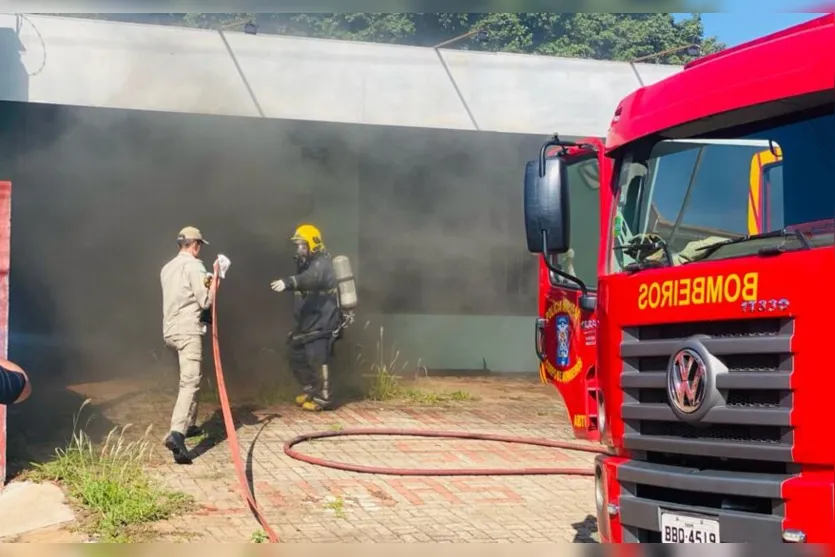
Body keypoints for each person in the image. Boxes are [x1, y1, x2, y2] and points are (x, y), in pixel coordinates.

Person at [160, 226, 217, 465]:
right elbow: (205, 299)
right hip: (188, 331)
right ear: (195, 245)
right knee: (190, 382)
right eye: (200, 245)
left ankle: (190, 424)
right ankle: (177, 434)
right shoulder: (195, 266)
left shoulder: (167, 267)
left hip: (170, 331)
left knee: (190, 379)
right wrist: (214, 278)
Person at [270, 224, 340, 412]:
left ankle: (324, 398)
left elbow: (311, 278)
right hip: (308, 322)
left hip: (323, 321)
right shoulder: (307, 263)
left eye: (302, 245)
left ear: (312, 244)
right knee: (295, 353)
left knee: (317, 358)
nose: (299, 249)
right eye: (298, 245)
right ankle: (311, 389)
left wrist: (288, 282)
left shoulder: (322, 264)